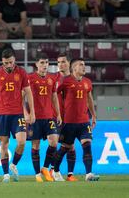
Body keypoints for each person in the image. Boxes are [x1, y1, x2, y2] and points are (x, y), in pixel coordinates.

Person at [0, 48, 35, 182]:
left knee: (22, 142)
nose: (8, 65)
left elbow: (28, 93)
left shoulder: (21, 72)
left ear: (14, 60)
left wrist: (32, 112)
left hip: (18, 114)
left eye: (11, 62)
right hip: (2, 114)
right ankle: (6, 174)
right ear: (2, 61)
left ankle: (13, 164)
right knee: (4, 144)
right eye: (6, 63)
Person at [53, 58, 99, 182]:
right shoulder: (65, 81)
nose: (84, 67)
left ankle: (89, 174)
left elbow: (89, 99)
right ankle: (55, 170)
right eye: (81, 65)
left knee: (87, 145)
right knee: (64, 148)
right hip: (69, 122)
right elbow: (54, 95)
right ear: (74, 68)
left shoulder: (87, 82)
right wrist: (57, 114)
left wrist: (93, 115)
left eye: (84, 65)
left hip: (84, 121)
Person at [27, 53, 62, 182]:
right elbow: (22, 96)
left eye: (46, 62)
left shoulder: (52, 79)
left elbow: (54, 97)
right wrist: (26, 113)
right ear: (36, 64)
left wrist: (58, 114)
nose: (45, 65)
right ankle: (37, 175)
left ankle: (45, 168)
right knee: (35, 146)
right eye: (42, 62)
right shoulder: (29, 78)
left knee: (54, 142)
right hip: (35, 118)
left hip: (49, 116)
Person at [50, 53, 78, 182]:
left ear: (69, 64)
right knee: (55, 144)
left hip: (71, 118)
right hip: (56, 117)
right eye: (58, 62)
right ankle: (52, 169)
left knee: (70, 146)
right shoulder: (53, 79)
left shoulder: (75, 78)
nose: (61, 64)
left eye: (63, 62)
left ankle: (70, 174)